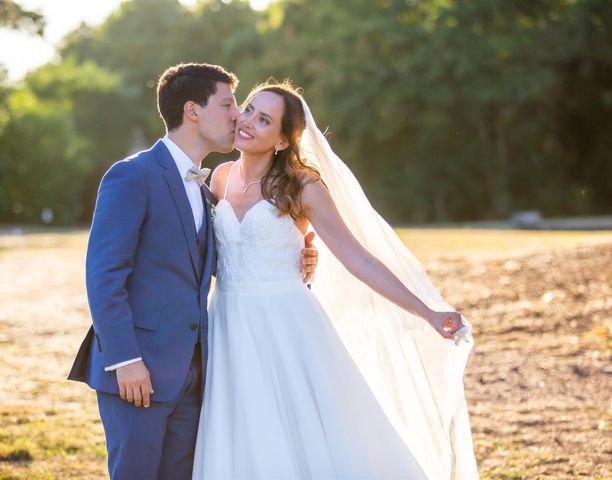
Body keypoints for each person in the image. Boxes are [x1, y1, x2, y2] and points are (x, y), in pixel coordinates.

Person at [192, 81, 477, 479]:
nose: (248, 122)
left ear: (280, 141)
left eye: (264, 119)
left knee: (305, 433)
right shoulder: (219, 178)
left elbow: (357, 257)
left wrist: (428, 311)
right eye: (250, 108)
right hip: (228, 321)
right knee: (242, 429)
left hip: (285, 325)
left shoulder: (303, 187)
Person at [67, 64, 318, 479]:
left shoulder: (207, 187)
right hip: (138, 373)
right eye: (229, 104)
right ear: (193, 111)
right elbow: (104, 275)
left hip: (195, 372)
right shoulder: (133, 175)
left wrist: (298, 256)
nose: (238, 115)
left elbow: (229, 260)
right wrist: (125, 359)